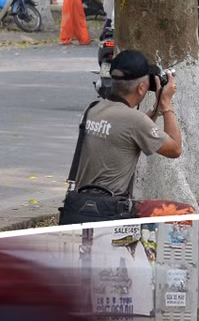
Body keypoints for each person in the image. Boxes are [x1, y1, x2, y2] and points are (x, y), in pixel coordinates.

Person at [66, 50, 183, 216]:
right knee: (185, 212)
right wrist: (165, 104)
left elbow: (126, 128)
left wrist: (155, 110)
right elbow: (175, 149)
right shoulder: (134, 121)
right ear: (142, 88)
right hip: (110, 211)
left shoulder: (92, 109)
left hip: (79, 206)